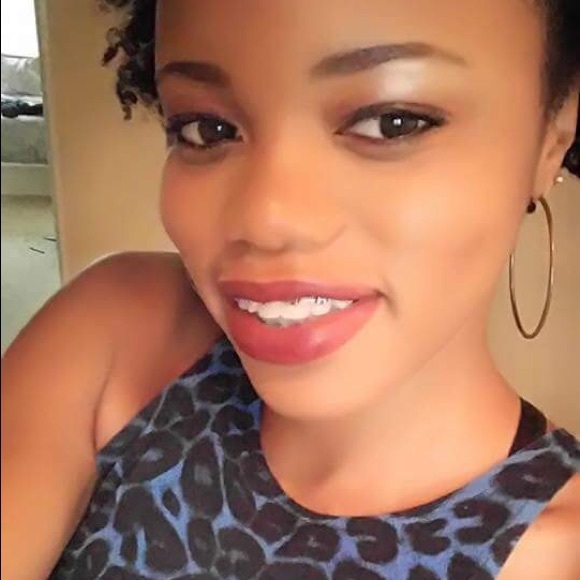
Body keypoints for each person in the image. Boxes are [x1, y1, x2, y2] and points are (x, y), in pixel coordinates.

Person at [2, 0, 579, 578]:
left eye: (392, 122)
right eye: (206, 128)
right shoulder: (116, 332)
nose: (265, 219)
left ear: (551, 141)